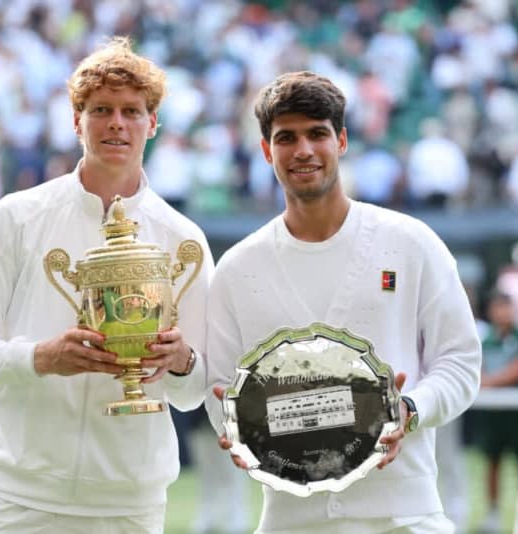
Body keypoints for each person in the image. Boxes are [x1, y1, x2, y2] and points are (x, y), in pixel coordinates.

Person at [0, 37, 214, 534]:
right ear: (76, 121)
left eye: (131, 111)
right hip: (18, 501)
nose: (116, 123)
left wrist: (180, 360)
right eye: (101, 109)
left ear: (152, 123)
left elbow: (196, 391)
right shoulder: (17, 217)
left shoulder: (183, 239)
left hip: (129, 507)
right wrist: (40, 358)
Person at [204, 71, 481, 534]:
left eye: (317, 134)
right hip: (291, 522)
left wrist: (408, 410)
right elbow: (221, 389)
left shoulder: (411, 243)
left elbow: (460, 362)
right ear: (266, 150)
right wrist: (237, 429)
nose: (303, 150)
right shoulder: (237, 268)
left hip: (404, 517)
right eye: (286, 137)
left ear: (343, 140)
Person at [470, 290, 518, 533]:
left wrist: (490, 382)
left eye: (506, 307)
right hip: (493, 413)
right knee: (492, 463)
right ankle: (493, 514)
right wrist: (486, 382)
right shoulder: (485, 341)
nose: (502, 313)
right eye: (498, 308)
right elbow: (477, 369)